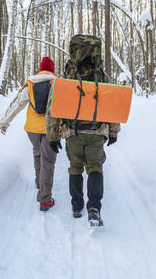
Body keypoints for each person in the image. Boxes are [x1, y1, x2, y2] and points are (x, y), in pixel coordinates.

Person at [46, 34, 120, 226]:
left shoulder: (66, 78)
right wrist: (113, 132)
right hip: (97, 132)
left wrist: (53, 136)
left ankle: (77, 206)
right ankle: (94, 207)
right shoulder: (102, 76)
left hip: (73, 133)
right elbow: (113, 105)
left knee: (75, 167)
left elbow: (52, 108)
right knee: (95, 167)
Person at [0, 56, 58, 211]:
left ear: (40, 68)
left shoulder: (30, 83)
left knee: (37, 153)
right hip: (50, 128)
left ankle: (39, 181)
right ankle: (45, 199)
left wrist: (4, 122)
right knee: (48, 161)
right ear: (52, 69)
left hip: (32, 129)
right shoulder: (57, 83)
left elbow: (17, 103)